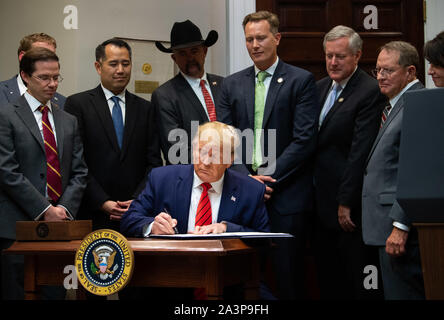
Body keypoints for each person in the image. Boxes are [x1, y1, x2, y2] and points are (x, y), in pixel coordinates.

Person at [218, 11, 319, 299]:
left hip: (286, 198)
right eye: (249, 39)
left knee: (288, 278)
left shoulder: (301, 81)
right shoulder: (231, 84)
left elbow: (304, 140)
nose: (254, 45)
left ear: (277, 38)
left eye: (261, 38)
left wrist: (267, 179)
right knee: (242, 280)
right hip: (242, 197)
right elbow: (226, 141)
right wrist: (248, 181)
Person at [0, 48, 88, 299]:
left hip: (60, 228)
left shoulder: (68, 119)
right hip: (17, 228)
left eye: (57, 77)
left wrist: (64, 210)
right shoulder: (5, 115)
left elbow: (80, 171)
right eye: (44, 78)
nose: (52, 84)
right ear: (25, 76)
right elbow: (7, 171)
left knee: (55, 293)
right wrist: (44, 209)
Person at [313, 26, 387, 299]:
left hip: (349, 208)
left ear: (357, 56)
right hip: (318, 203)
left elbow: (359, 152)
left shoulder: (369, 91)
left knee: (357, 279)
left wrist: (346, 201)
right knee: (327, 277)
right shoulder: (319, 87)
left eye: (340, 56)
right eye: (329, 56)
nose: (333, 62)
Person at [64, 38, 162, 231]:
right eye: (113, 64)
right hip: (92, 213)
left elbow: (153, 163)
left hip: (136, 214)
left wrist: (136, 200)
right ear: (98, 67)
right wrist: (103, 201)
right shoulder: (78, 105)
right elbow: (76, 163)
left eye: (125, 64)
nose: (120, 70)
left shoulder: (145, 108)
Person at [121, 121, 269, 237]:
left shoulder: (251, 190)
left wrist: (227, 229)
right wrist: (152, 226)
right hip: (171, 267)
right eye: (201, 152)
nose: (205, 162)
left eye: (215, 155)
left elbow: (265, 238)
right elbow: (129, 220)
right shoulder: (162, 179)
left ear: (230, 160)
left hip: (225, 270)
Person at [362, 41, 425, 299]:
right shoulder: (393, 105)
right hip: (382, 226)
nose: (380, 77)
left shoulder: (418, 104)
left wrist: (400, 224)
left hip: (399, 228)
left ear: (410, 72)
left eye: (388, 70)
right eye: (377, 70)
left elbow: (417, 172)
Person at [152, 20, 224, 164]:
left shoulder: (224, 85)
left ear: (204, 51)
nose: (190, 58)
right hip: (191, 180)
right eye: (182, 53)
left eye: (194, 51)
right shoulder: (165, 95)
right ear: (174, 58)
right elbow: (177, 151)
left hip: (233, 176)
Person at [0, 33, 66, 108]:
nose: (48, 61)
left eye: (52, 56)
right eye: (41, 55)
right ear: (22, 57)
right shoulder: (2, 93)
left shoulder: (63, 102)